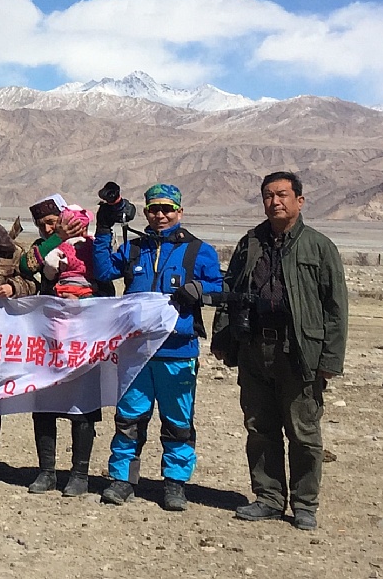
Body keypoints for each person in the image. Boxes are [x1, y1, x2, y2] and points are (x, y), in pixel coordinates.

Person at [212, 171, 347, 532]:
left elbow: (336, 308)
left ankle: (304, 504)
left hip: (299, 350)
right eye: (268, 196)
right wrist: (223, 339)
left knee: (303, 432)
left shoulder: (319, 247)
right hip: (255, 348)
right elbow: (230, 291)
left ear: (299, 201)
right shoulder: (250, 243)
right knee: (259, 427)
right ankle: (269, 498)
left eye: (283, 195)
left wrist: (330, 360)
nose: (275, 202)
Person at [92, 183, 222, 511]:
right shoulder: (134, 248)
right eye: (153, 209)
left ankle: (174, 483)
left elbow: (220, 286)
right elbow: (103, 271)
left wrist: (199, 288)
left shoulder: (198, 250)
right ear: (146, 211)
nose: (160, 215)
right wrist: (103, 229)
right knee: (129, 418)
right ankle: (123, 479)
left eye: (167, 208)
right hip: (136, 351)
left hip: (177, 351)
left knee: (178, 420)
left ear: (180, 211)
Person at [18, 194, 107, 498]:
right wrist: (56, 238)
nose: (47, 228)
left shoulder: (90, 247)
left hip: (84, 338)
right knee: (44, 405)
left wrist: (85, 300)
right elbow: (26, 266)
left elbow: (106, 279)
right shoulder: (44, 247)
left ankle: (79, 474)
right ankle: (46, 472)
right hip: (48, 339)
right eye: (42, 225)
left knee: (83, 405)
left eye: (52, 222)